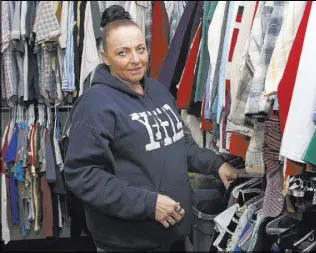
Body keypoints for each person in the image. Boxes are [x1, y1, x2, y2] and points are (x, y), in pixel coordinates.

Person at [63, 5, 242, 252]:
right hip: (128, 241)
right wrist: (148, 203)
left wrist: (216, 164)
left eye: (140, 49)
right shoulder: (95, 103)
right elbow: (82, 174)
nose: (136, 60)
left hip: (174, 232)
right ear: (105, 57)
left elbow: (179, 143)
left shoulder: (158, 91)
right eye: (122, 53)